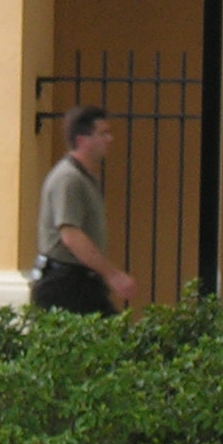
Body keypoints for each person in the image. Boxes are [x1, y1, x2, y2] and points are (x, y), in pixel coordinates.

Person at [31, 106, 136, 314]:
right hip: (65, 284)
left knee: (114, 341)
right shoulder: (68, 179)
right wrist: (113, 275)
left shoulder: (85, 178)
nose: (110, 139)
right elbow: (71, 236)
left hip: (82, 282)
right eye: (103, 133)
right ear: (82, 140)